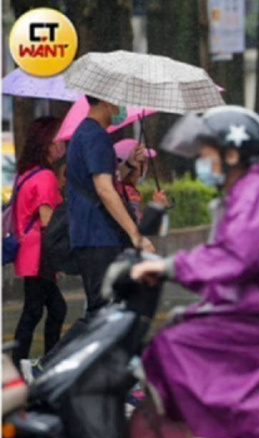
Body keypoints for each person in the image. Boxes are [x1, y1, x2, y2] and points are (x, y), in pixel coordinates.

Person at [129, 106, 259, 438]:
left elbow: (235, 257)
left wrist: (168, 267)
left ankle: (221, 432)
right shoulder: (243, 193)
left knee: (174, 344)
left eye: (206, 154)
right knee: (179, 327)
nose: (202, 163)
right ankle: (213, 430)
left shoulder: (254, 193)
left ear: (232, 154)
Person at [66, 95, 155, 321]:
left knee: (107, 310)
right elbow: (105, 190)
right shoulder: (95, 136)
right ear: (106, 102)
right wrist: (135, 235)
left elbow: (106, 180)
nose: (122, 107)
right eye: (118, 101)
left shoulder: (89, 133)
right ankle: (56, 358)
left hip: (96, 234)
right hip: (97, 235)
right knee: (101, 313)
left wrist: (128, 166)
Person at [10, 117, 68, 368]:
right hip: (40, 253)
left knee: (47, 309)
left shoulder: (26, 172)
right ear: (45, 143)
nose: (61, 145)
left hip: (28, 250)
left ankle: (30, 362)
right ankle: (35, 363)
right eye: (57, 140)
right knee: (42, 310)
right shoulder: (45, 175)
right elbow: (48, 220)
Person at [114, 139, 168, 221]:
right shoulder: (129, 193)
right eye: (144, 161)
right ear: (134, 164)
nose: (146, 166)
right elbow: (138, 228)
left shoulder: (113, 189)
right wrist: (158, 208)